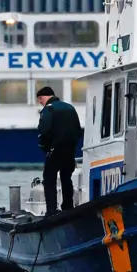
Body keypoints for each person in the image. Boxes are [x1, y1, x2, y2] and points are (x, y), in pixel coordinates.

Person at [36, 86, 82, 216]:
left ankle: (51, 210)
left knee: (49, 178)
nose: (40, 102)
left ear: (44, 97)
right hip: (70, 150)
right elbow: (78, 130)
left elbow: (44, 131)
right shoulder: (70, 108)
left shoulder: (49, 109)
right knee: (66, 177)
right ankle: (68, 206)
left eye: (40, 99)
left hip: (55, 150)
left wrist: (45, 147)